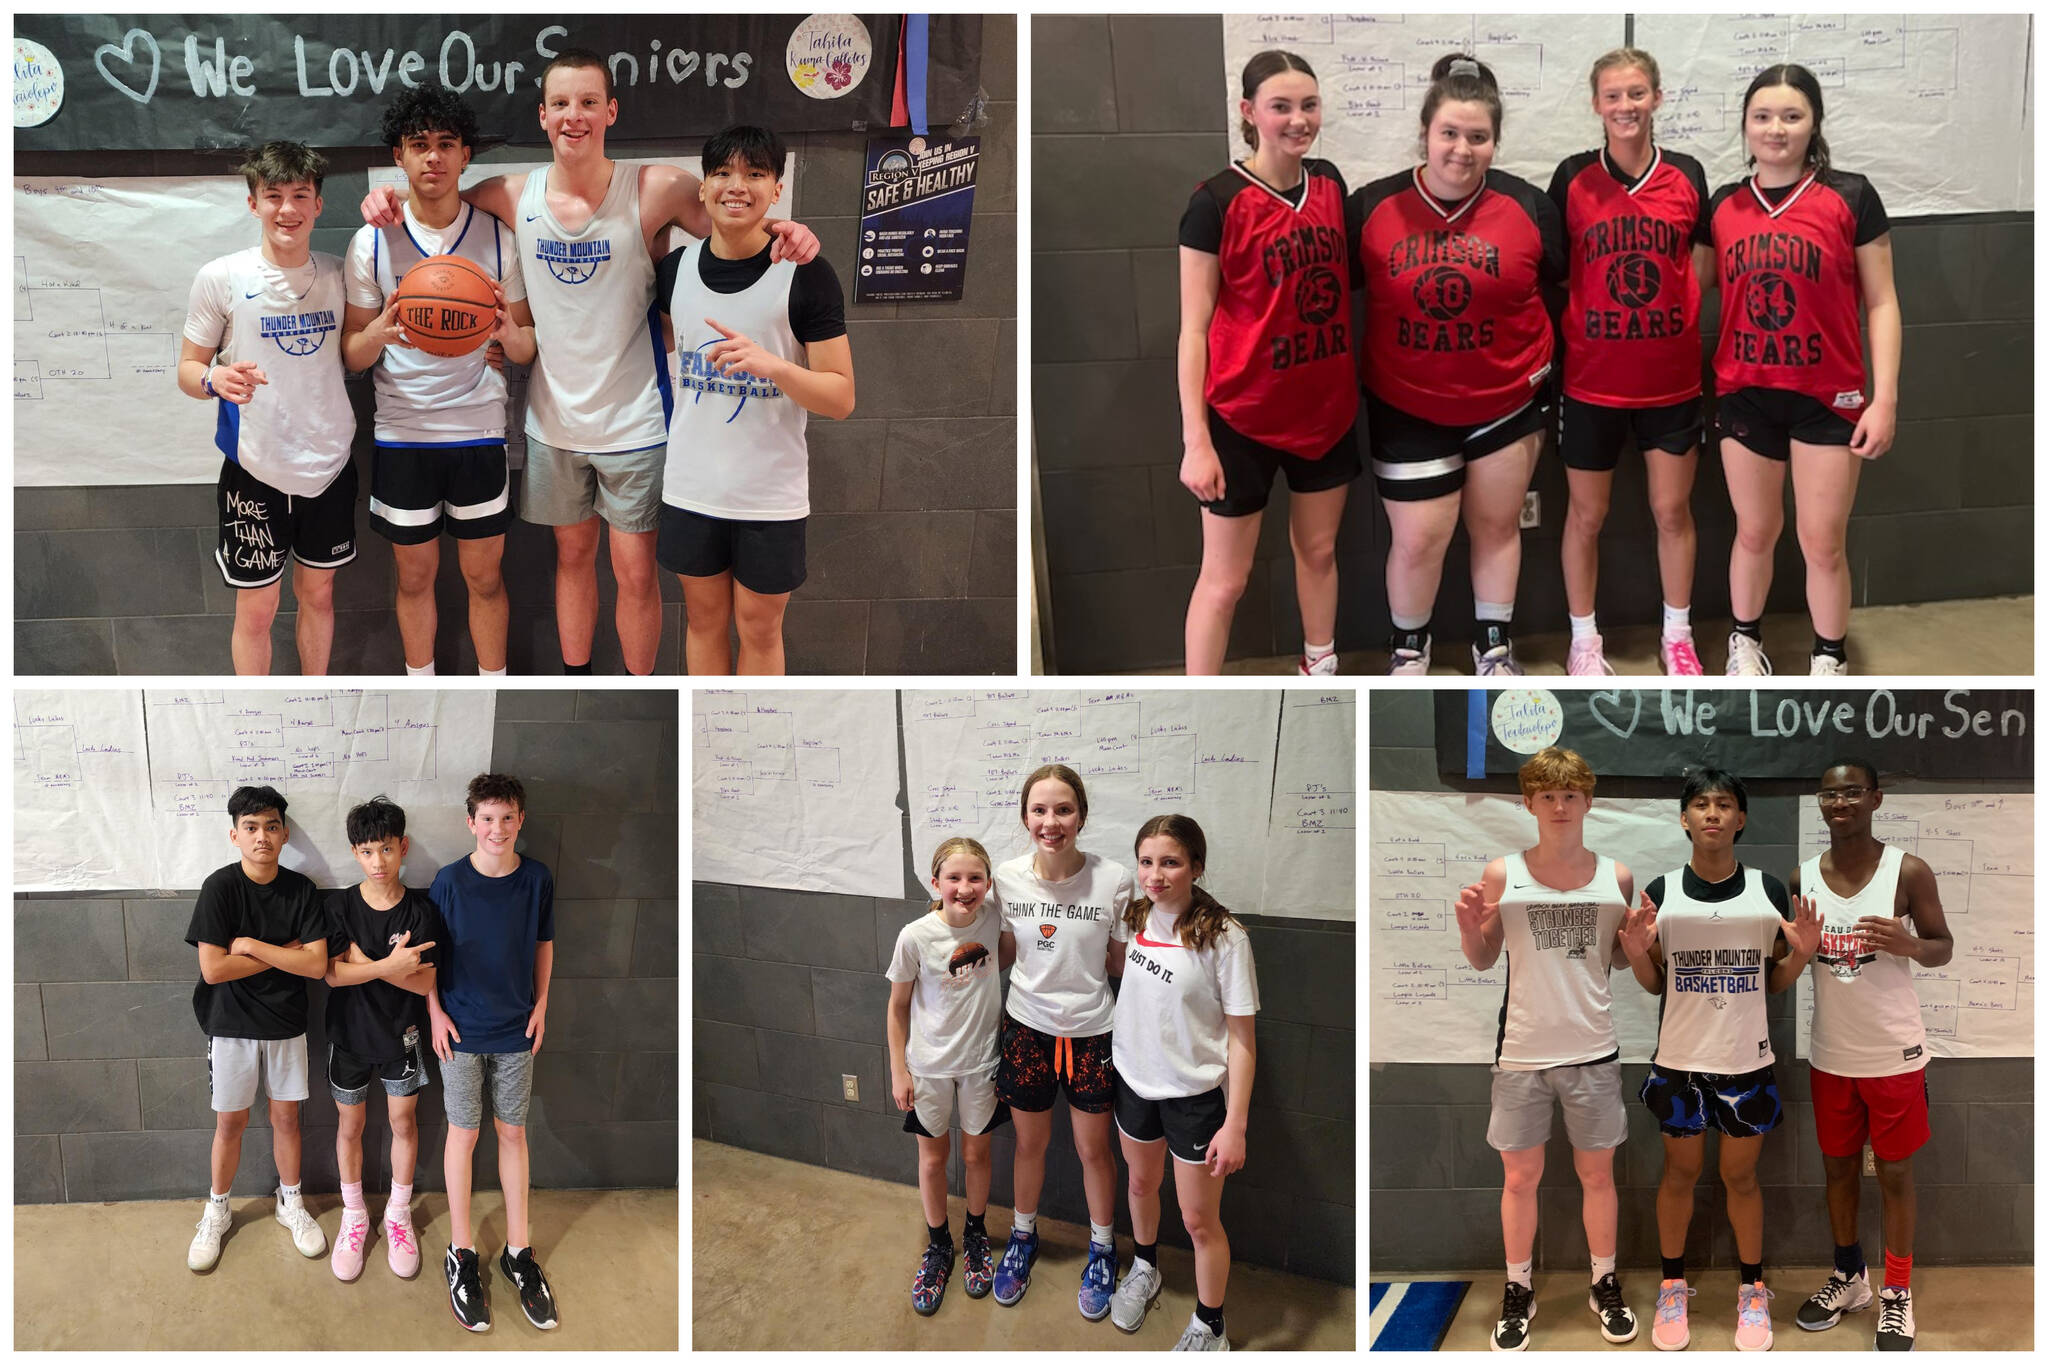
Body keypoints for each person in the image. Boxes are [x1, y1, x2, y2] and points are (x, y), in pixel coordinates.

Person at [361, 48, 820, 674]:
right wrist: (384, 201)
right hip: (552, 422)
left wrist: (791, 232)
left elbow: (736, 220)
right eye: (560, 104)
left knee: (634, 573)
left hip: (637, 421)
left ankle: (640, 681)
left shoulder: (656, 186)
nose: (573, 115)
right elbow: (435, 191)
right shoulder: (510, 193)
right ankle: (577, 672)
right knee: (572, 561)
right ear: (543, 116)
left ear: (611, 110)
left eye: (586, 102)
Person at [1350, 54, 1567, 676]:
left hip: (1506, 404)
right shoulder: (1371, 207)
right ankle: (1409, 650)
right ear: (1425, 132)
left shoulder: (1528, 206)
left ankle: (1492, 644)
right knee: (1419, 540)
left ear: (1495, 140)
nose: (1462, 149)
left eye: (1478, 136)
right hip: (1408, 404)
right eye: (1449, 132)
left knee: (1498, 528)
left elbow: (1558, 285)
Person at [1619, 768, 1821, 1351]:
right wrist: (1635, 955)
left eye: (1724, 804)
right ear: (1684, 818)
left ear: (1741, 818)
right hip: (1680, 1062)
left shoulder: (1768, 890)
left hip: (1746, 1061)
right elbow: (1656, 983)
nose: (1712, 813)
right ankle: (1673, 1285)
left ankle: (1753, 1291)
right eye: (1701, 804)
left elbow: (1776, 982)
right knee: (1679, 1174)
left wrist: (1803, 955)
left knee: (1740, 1176)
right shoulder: (1662, 891)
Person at [1710, 63, 1901, 676]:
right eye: (1762, 116)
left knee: (1822, 544)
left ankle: (1829, 658)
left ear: (1813, 123)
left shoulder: (1851, 196)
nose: (1776, 129)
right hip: (1746, 394)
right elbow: (1683, 294)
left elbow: (1883, 302)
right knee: (1754, 531)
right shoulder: (1722, 206)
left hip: (1828, 397)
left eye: (1792, 116)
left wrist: (1885, 398)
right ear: (1745, 124)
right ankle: (1744, 645)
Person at [1177, 49, 1360, 676]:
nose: (1298, 119)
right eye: (1281, 106)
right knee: (1225, 581)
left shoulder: (1332, 183)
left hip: (1326, 414)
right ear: (1249, 112)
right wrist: (1195, 441)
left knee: (1318, 552)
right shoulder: (1216, 202)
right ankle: (1196, 703)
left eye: (1308, 105)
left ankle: (1320, 666)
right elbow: (1194, 330)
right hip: (1242, 418)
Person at [341, 84, 533, 677]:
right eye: (418, 144)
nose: (433, 157)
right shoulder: (372, 241)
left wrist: (501, 329)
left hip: (477, 430)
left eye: (446, 144)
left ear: (465, 155)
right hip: (402, 434)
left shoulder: (499, 238)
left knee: (484, 576)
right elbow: (352, 356)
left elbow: (526, 348)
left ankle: (491, 686)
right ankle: (420, 690)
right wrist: (383, 331)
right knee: (415, 576)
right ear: (398, 155)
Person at [1453, 747, 1636, 1350]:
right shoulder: (1504, 873)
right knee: (1520, 1177)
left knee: (1598, 1176)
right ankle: (1518, 1288)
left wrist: (1638, 945)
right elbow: (1483, 960)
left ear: (1588, 801)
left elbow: (1615, 961)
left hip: (1593, 1049)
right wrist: (1467, 927)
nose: (1560, 806)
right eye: (1548, 796)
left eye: (1571, 795)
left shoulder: (1618, 876)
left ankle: (1603, 1282)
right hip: (1522, 1053)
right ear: (1528, 803)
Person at [655, 124, 854, 675]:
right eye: (722, 173)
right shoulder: (674, 270)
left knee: (760, 629)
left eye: (754, 174)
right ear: (702, 187)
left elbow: (840, 397)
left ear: (777, 188)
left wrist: (775, 365)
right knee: (701, 624)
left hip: (769, 497)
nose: (736, 185)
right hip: (692, 488)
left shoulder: (806, 274)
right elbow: (666, 344)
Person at [1547, 49, 1714, 677]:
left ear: (1657, 98)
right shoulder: (1571, 178)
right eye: (1613, 96)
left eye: (1637, 94)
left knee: (1672, 512)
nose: (1626, 107)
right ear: (1596, 104)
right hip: (1592, 383)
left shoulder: (1688, 174)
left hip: (1670, 383)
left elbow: (1699, 267)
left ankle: (1678, 634)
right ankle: (1584, 640)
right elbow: (1562, 275)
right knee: (1587, 515)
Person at [1791, 759, 1951, 1352]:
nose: (1841, 803)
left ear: (1875, 799)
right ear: (1821, 803)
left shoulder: (1907, 870)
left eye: (1853, 792)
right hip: (1831, 1054)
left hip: (1894, 1052)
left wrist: (1909, 943)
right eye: (1830, 794)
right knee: (1836, 1169)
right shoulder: (1801, 876)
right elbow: (1790, 964)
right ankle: (1850, 1276)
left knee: (1896, 1173)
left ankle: (1897, 1293)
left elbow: (1943, 947)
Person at [179, 141, 356, 676]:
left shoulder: (338, 274)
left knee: (319, 595)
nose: (287, 209)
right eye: (273, 195)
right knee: (257, 607)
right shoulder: (222, 276)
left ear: (319, 204)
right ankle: (257, 715)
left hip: (329, 462)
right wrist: (215, 378)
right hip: (254, 466)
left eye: (300, 194)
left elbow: (363, 346)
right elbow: (188, 370)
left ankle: (312, 697)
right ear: (253, 203)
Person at [1106, 815, 1258, 1352]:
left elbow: (1242, 1040)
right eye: (1146, 862)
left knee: (1198, 1221)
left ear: (1196, 866)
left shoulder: (1225, 937)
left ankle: (1210, 1324)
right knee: (1141, 1185)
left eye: (1169, 862)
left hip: (1194, 1100)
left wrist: (1234, 1124)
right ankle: (1145, 1267)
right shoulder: (1136, 917)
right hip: (1132, 1083)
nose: (1155, 874)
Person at [990, 764, 1134, 1319]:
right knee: (1028, 1146)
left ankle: (1102, 1248)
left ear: (1082, 816)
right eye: (1040, 810)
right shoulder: (1005, 877)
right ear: (1025, 817)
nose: (1052, 822)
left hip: (1093, 1034)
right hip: (1026, 1028)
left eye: (1064, 809)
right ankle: (1023, 1237)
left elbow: (1120, 963)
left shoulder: (1115, 878)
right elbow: (1002, 950)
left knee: (1093, 1149)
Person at [183, 785, 331, 1272]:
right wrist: (283, 951)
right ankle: (218, 1209)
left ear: (285, 834)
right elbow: (213, 970)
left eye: (270, 827)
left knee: (288, 1119)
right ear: (234, 835)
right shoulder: (219, 888)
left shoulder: (301, 890)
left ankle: (291, 1204)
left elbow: (314, 966)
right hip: (230, 1026)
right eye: (250, 827)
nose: (261, 836)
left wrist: (249, 946)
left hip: (287, 1024)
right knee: (231, 1122)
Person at [427, 773, 556, 1332]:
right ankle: (462, 1252)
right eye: (487, 819)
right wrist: (433, 1011)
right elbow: (429, 954)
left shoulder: (537, 879)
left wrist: (543, 1004)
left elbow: (544, 944)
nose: (497, 828)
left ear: (520, 820)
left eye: (507, 818)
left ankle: (518, 1253)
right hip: (459, 1032)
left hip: (515, 1031)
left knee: (513, 1133)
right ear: (470, 823)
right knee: (464, 1133)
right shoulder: (448, 881)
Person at [321, 796, 446, 1282]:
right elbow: (332, 976)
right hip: (349, 1035)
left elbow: (426, 981)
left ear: (404, 848)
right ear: (355, 853)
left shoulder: (422, 909)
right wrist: (394, 965)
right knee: (349, 1126)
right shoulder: (339, 907)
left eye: (387, 850)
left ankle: (397, 1212)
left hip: (404, 1036)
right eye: (369, 851)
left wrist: (367, 967)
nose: (379, 862)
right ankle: (355, 1215)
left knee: (403, 1120)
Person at [885, 837, 1010, 1315]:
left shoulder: (994, 918)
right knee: (934, 1158)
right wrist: (899, 1070)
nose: (964, 888)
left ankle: (975, 1232)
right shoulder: (915, 936)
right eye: (953, 878)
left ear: (988, 883)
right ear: (935, 883)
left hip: (982, 1064)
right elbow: (897, 1009)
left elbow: (1005, 957)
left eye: (975, 878)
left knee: (978, 1154)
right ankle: (939, 1245)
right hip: (929, 1067)